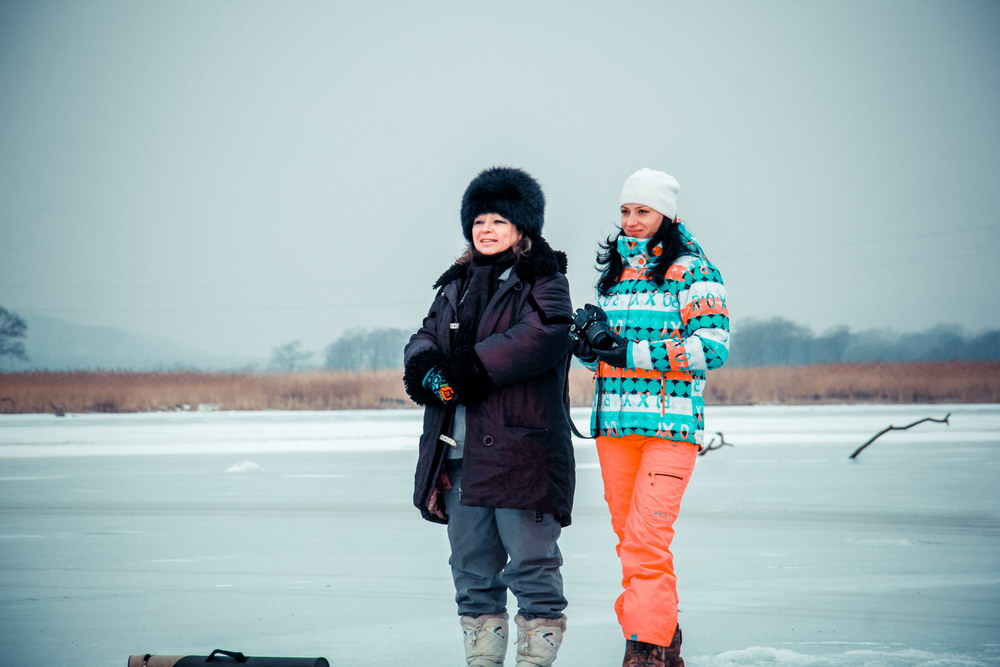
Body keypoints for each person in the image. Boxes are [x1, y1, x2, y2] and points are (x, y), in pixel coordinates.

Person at [403, 166, 575, 667]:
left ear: (522, 227)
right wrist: (428, 370)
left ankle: (535, 659)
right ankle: (483, 659)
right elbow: (424, 336)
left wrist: (468, 370)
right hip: (458, 453)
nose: (487, 229)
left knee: (532, 563)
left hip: (521, 453)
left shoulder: (543, 279)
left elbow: (540, 337)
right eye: (479, 221)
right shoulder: (453, 286)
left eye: (499, 220)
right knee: (471, 567)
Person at [570, 168, 730, 667]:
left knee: (647, 538)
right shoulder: (614, 277)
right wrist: (587, 348)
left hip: (670, 428)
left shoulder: (694, 271)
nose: (632, 220)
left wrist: (629, 352)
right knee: (630, 541)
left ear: (668, 216)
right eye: (625, 210)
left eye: (643, 211)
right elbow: (606, 358)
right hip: (614, 429)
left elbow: (712, 348)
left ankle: (646, 649)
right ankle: (662, 634)